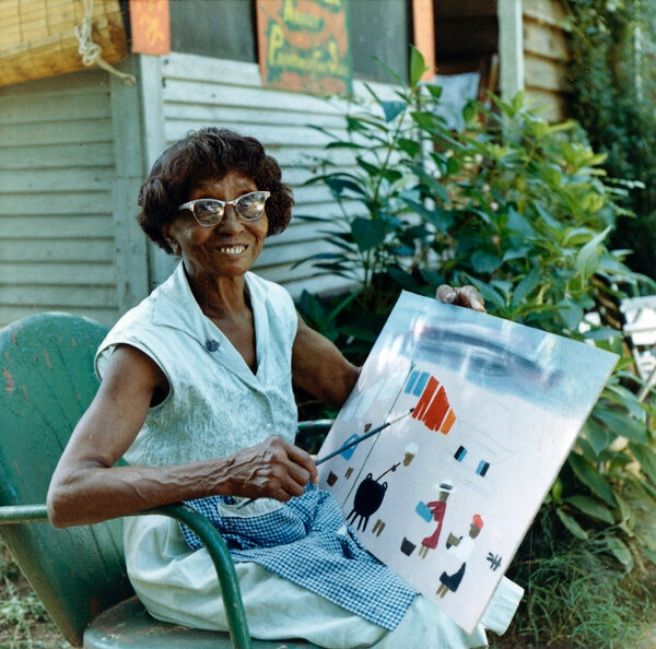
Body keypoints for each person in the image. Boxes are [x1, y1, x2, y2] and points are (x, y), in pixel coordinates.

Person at [47, 127, 522, 648]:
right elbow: (69, 494)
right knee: (416, 621)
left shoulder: (270, 304)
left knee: (453, 590)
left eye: (248, 201)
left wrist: (441, 341)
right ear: (170, 229)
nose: (232, 223)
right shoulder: (147, 345)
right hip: (198, 552)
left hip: (289, 519)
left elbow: (351, 388)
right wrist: (228, 471)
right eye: (205, 209)